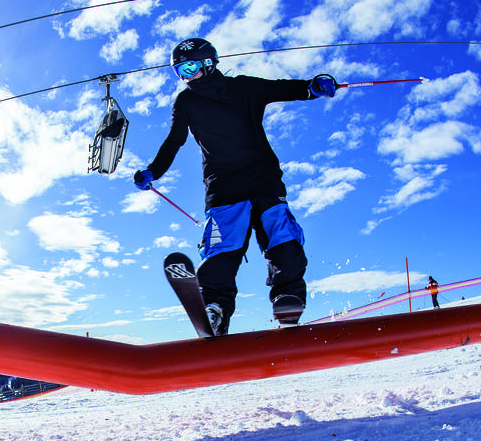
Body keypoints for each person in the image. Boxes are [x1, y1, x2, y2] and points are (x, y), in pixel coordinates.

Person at [133, 38, 338, 335]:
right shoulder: (187, 102)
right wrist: (154, 171)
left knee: (282, 239)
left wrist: (313, 86)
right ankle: (214, 308)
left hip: (263, 178)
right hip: (222, 185)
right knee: (222, 249)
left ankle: (287, 297)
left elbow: (283, 88)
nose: (185, 77)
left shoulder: (243, 88)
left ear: (208, 63)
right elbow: (173, 141)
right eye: (179, 71)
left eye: (189, 67)